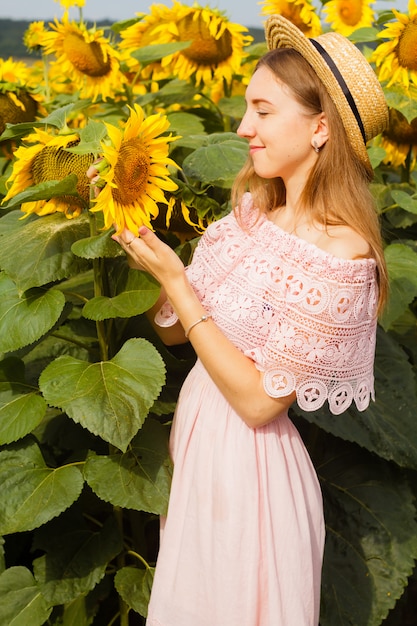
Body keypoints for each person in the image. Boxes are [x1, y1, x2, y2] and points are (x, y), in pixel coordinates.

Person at [98, 14, 389, 626]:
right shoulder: (250, 218)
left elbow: (260, 403)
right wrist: (147, 251)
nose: (242, 127)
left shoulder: (341, 254)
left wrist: (180, 281)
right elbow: (177, 332)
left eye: (261, 110)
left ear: (320, 128)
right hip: (202, 460)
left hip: (251, 478)